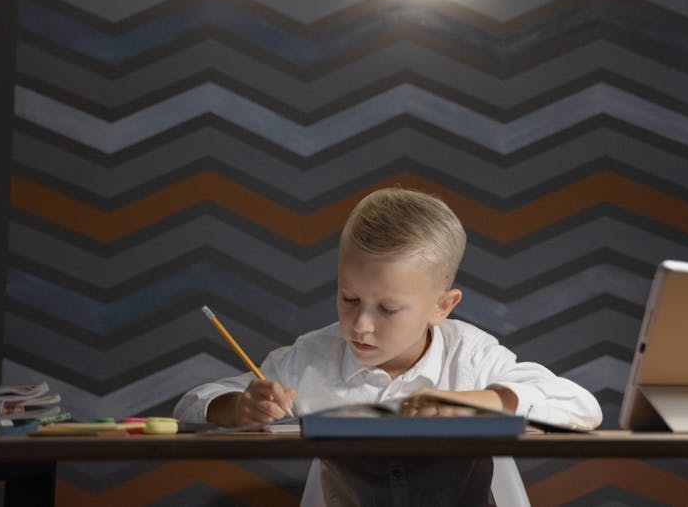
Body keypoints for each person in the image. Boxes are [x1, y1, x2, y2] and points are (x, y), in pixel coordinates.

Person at [174, 187, 602, 506]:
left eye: (388, 309)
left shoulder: (470, 356)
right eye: (349, 298)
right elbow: (193, 404)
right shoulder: (311, 358)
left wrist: (480, 402)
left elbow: (581, 407)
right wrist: (235, 408)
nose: (360, 324)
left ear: (442, 306)